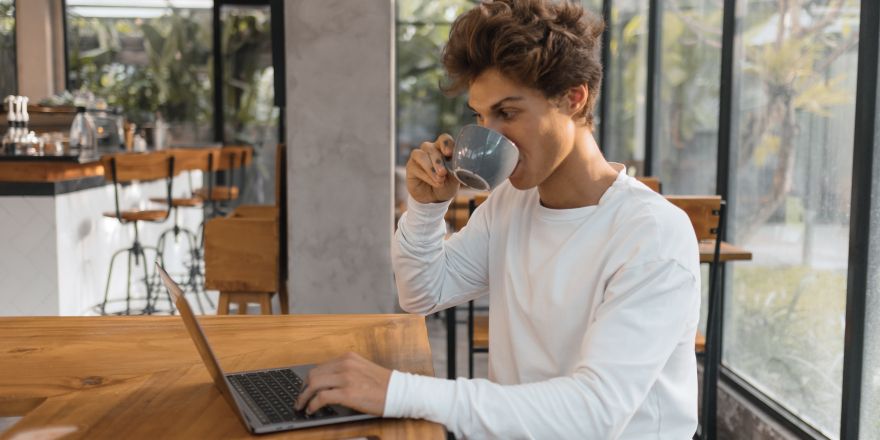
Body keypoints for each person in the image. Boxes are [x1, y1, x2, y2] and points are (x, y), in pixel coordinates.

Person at [295, 0, 701, 437]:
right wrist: (427, 208)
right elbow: (422, 293)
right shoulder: (511, 204)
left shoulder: (653, 234)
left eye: (507, 113)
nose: (490, 134)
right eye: (480, 117)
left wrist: (398, 390)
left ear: (573, 97)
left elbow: (594, 414)